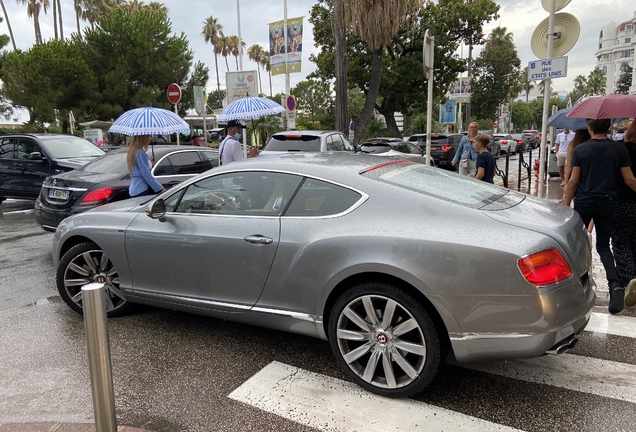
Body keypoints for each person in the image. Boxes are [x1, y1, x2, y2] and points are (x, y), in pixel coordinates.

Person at [562, 118, 636, 314]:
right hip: (609, 202)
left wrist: (565, 204)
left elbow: (574, 181)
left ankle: (572, 289)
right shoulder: (619, 150)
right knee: (603, 246)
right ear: (609, 126)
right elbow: (629, 180)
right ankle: (615, 285)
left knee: (575, 244)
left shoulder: (581, 150)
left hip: (585, 202)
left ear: (589, 127)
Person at [613, 121, 636, 308]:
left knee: (620, 243)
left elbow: (628, 180)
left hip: (622, 201)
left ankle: (629, 279)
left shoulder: (622, 150)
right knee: (635, 242)